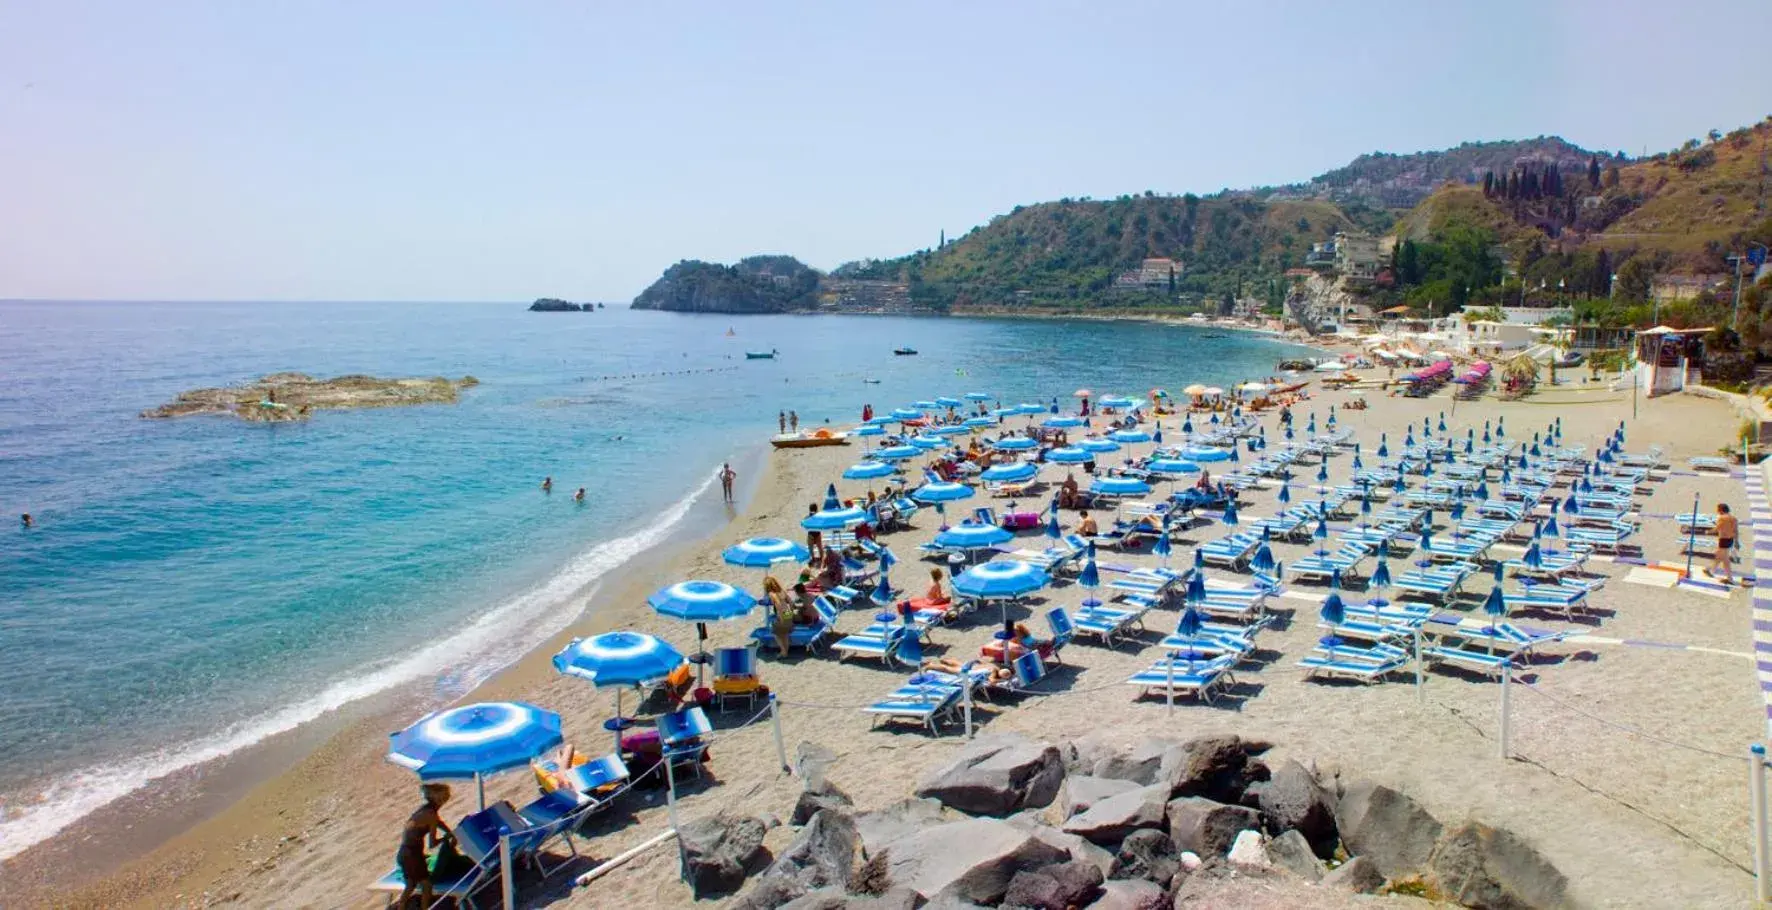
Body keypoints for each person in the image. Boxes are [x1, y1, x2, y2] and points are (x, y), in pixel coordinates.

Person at [396, 783, 454, 909]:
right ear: (440, 799)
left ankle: (401, 907)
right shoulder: (431, 815)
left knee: (410, 885)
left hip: (404, 852)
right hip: (413, 855)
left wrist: (448, 831)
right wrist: (446, 838)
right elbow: (432, 844)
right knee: (427, 886)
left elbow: (439, 822)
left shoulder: (425, 809)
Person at [765, 577, 795, 656]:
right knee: (784, 634)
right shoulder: (782, 591)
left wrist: (781, 618)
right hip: (788, 614)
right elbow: (791, 603)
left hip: (782, 615)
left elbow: (778, 605)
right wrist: (790, 613)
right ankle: (786, 651)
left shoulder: (772, 594)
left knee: (775, 633)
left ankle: (783, 651)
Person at [1711, 503, 1738, 584]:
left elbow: (1717, 528)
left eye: (1718, 510)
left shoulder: (1722, 518)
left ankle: (1730, 579)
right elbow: (1736, 531)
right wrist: (1736, 541)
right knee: (1718, 556)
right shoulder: (1733, 518)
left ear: (1721, 510)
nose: (1717, 511)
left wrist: (1707, 531)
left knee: (1725, 560)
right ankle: (1711, 570)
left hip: (1723, 540)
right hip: (1730, 540)